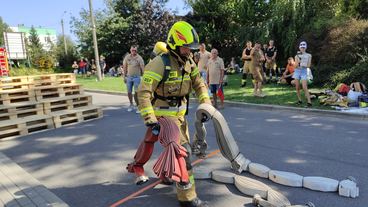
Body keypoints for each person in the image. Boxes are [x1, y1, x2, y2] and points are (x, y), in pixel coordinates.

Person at [127, 21, 211, 207]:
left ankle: (165, 175)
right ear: (174, 44)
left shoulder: (189, 62)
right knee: (183, 154)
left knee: (161, 146)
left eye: (191, 48)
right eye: (186, 47)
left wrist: (205, 104)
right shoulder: (159, 63)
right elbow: (143, 93)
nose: (189, 51)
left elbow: (199, 84)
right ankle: (187, 197)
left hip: (180, 118)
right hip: (162, 117)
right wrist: (150, 118)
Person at [122, 45, 145, 113]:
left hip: (136, 77)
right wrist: (124, 77)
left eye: (135, 50)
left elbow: (142, 68)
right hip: (129, 77)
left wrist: (144, 77)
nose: (133, 51)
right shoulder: (127, 57)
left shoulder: (139, 58)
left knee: (136, 92)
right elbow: (125, 67)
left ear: (136, 51)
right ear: (130, 50)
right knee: (129, 92)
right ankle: (131, 104)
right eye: (132, 50)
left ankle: (138, 106)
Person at [293, 41, 312, 107]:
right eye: (301, 47)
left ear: (305, 47)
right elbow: (295, 66)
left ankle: (309, 102)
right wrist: (298, 63)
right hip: (297, 71)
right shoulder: (297, 55)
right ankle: (299, 100)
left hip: (304, 71)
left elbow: (309, 65)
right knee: (297, 87)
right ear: (299, 47)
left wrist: (303, 65)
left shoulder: (309, 55)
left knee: (304, 87)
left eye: (303, 47)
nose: (302, 48)